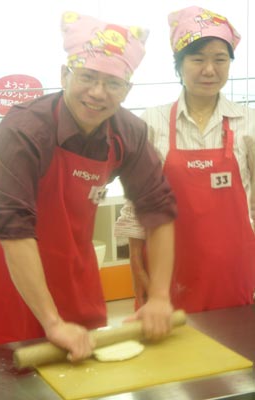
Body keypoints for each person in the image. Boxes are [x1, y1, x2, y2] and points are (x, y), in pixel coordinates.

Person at [0, 11, 177, 360]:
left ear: (127, 89)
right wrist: (51, 322)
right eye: (88, 77)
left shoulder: (128, 132)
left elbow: (158, 211)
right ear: (65, 74)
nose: (98, 93)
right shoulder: (24, 130)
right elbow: (14, 228)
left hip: (74, 273)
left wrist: (159, 297)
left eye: (113, 83)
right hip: (10, 277)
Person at [115, 5, 255, 313]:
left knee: (236, 350)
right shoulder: (151, 122)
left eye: (220, 59)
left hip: (233, 268)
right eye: (197, 59)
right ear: (179, 66)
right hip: (167, 271)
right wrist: (136, 267)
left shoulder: (249, 122)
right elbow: (136, 205)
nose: (209, 70)